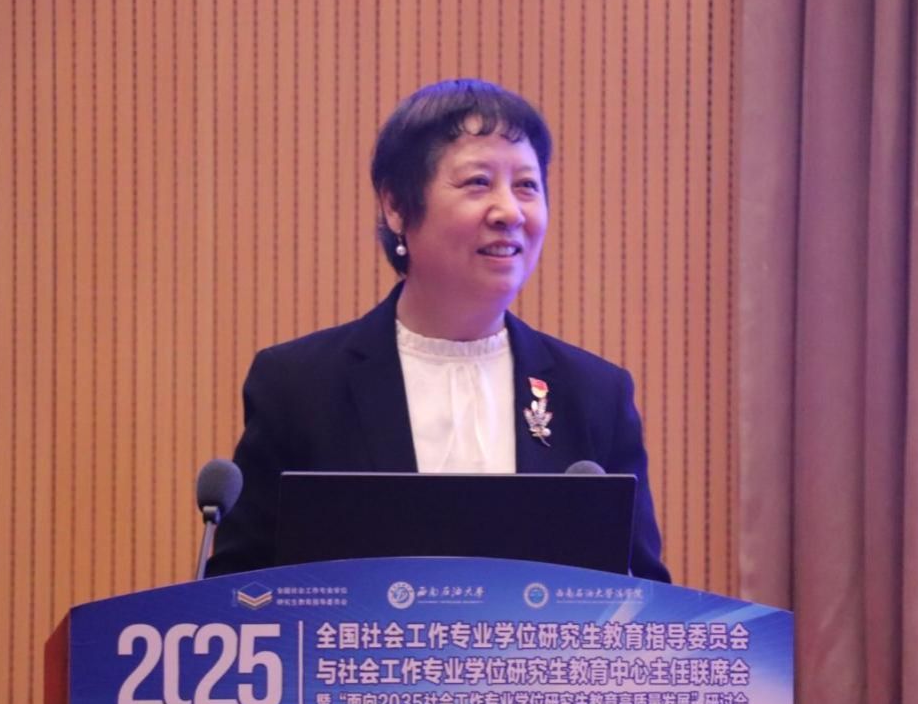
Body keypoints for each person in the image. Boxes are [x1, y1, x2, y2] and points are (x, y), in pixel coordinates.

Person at [205, 79, 669, 583]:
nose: (509, 212)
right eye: (478, 182)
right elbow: (237, 594)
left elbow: (646, 598)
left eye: (526, 186)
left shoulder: (595, 394)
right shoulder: (300, 386)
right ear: (396, 206)